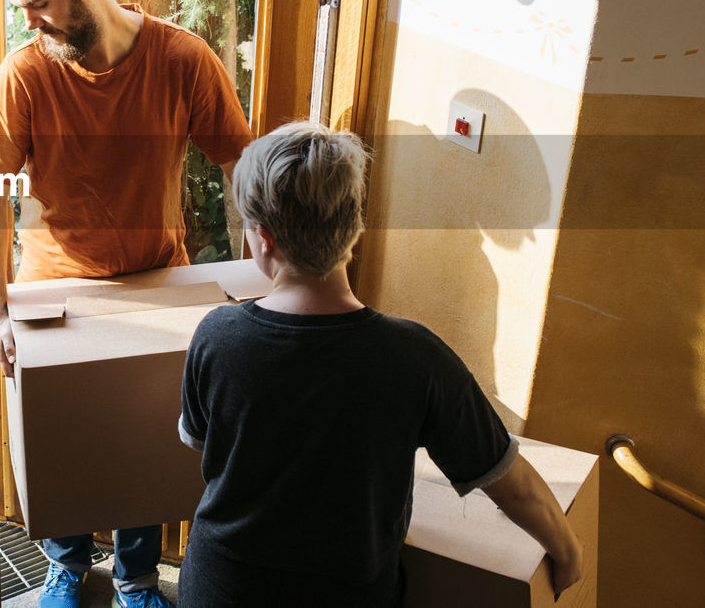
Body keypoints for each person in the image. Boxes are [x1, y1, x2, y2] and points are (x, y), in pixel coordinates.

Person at [177, 121, 584, 606]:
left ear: (263, 238)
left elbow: (201, 443)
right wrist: (568, 550)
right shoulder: (417, 357)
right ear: (353, 228)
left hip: (220, 587)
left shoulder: (217, 336)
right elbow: (511, 485)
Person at [0, 0, 254, 608]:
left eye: (39, 5)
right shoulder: (21, 79)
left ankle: (136, 576)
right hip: (56, 292)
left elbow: (243, 169)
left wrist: (263, 287)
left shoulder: (183, 60)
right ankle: (67, 565)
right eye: (24, 9)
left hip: (153, 287)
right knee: (67, 444)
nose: (31, 22)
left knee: (145, 441)